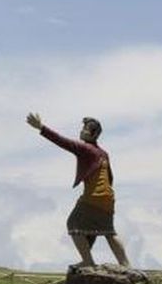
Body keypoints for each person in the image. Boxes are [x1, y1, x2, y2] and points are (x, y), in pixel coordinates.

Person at [26, 112, 131, 268]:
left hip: (93, 197)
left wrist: (41, 127)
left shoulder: (85, 149)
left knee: (74, 223)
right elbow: (110, 177)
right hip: (108, 198)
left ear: (93, 134)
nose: (81, 131)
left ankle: (88, 261)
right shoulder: (103, 153)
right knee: (108, 232)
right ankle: (125, 263)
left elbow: (63, 142)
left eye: (85, 129)